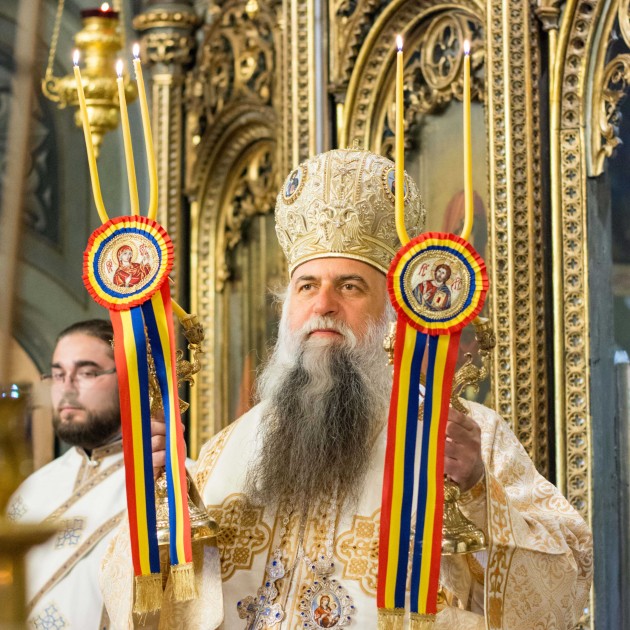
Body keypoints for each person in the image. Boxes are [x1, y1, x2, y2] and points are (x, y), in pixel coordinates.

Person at [102, 148, 592, 629]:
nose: (324, 305)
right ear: (286, 309)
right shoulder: (224, 450)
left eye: (350, 286)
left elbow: (565, 587)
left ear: (393, 312)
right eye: (307, 286)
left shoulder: (462, 434)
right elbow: (153, 608)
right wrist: (160, 514)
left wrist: (480, 493)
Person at [6, 319, 124, 629]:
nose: (67, 388)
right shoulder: (32, 488)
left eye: (87, 373)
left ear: (130, 378)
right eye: (58, 375)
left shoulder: (177, 484)